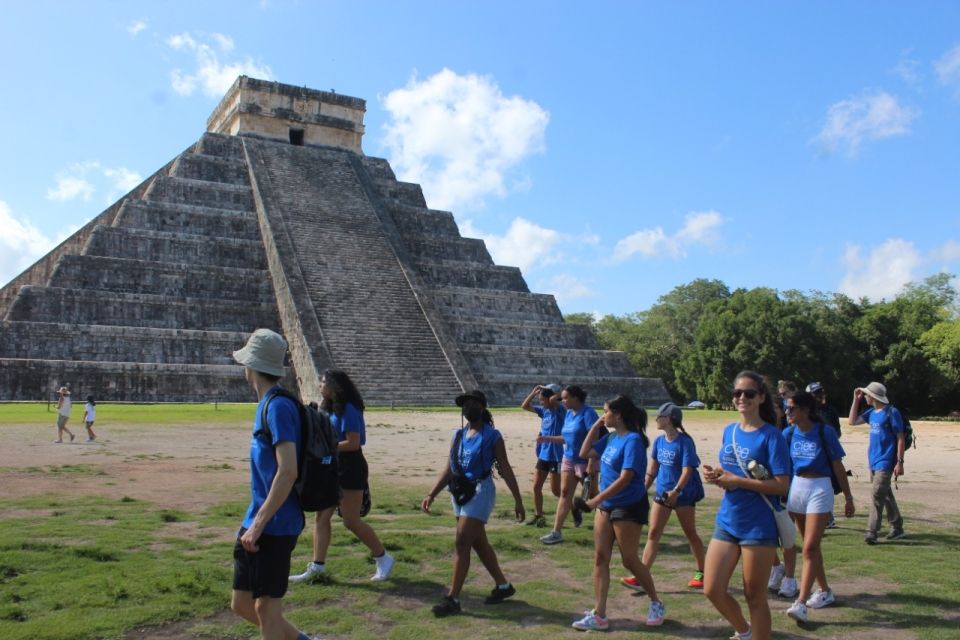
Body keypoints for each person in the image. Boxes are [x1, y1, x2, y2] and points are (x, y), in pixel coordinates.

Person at [229, 328, 315, 640]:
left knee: (267, 611)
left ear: (250, 366)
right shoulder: (267, 404)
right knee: (241, 603)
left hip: (275, 524)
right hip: (258, 518)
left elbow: (287, 471)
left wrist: (259, 525)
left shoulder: (278, 407)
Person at [702, 370, 791, 640]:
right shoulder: (730, 431)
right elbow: (731, 472)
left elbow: (781, 485)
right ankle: (744, 631)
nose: (742, 398)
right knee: (712, 589)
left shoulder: (772, 437)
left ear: (761, 397)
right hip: (728, 519)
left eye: (749, 393)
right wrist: (718, 475)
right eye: (737, 393)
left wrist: (737, 481)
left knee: (755, 596)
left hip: (758, 524)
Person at [422, 390, 525, 617]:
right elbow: (449, 468)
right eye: (465, 404)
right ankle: (503, 586)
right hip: (459, 492)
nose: (468, 408)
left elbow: (505, 468)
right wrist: (432, 493)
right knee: (478, 543)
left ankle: (453, 598)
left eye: (472, 403)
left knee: (461, 543)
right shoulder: (458, 435)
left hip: (480, 491)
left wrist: (518, 500)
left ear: (482, 406)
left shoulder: (493, 436)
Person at [289, 369, 394, 584]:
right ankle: (317, 567)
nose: (320, 385)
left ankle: (383, 557)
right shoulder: (327, 408)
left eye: (324, 381)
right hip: (330, 466)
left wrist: (327, 448)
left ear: (336, 386)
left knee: (350, 520)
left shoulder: (349, 409)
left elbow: (354, 443)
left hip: (350, 467)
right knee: (321, 517)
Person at [573, 395, 665, 631]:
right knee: (600, 557)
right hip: (606, 505)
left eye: (606, 412)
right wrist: (596, 425)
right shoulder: (612, 437)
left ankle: (656, 602)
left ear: (619, 414)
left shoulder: (633, 440)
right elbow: (584, 453)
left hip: (628, 506)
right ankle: (599, 614)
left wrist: (595, 500)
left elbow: (626, 478)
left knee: (629, 560)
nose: (604, 415)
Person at [781, 391, 855, 623]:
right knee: (809, 548)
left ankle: (801, 603)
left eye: (791, 408)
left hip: (820, 488)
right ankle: (824, 591)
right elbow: (779, 462)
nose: (787, 412)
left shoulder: (825, 432)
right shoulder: (789, 433)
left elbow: (837, 465)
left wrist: (849, 498)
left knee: (810, 548)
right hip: (798, 488)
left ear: (805, 410)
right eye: (786, 408)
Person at [627, 402, 706, 591]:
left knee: (690, 533)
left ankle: (702, 572)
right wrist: (642, 490)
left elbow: (688, 470)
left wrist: (677, 491)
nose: (656, 419)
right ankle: (642, 576)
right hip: (662, 492)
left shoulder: (685, 441)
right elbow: (653, 469)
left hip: (683, 495)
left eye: (659, 417)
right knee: (653, 533)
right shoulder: (659, 441)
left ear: (669, 419)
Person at [538, 385, 599, 545]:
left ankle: (613, 524)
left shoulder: (588, 413)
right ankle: (556, 532)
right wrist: (548, 438)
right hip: (568, 459)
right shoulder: (569, 415)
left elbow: (595, 440)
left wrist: (592, 462)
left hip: (585, 461)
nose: (562, 401)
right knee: (565, 493)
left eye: (565, 398)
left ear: (576, 398)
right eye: (562, 398)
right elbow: (567, 438)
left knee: (593, 496)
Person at [848, 382, 906, 544]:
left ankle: (871, 531)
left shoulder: (891, 412)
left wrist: (899, 462)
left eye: (866, 394)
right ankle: (897, 527)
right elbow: (852, 421)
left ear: (873, 396)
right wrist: (856, 400)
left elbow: (900, 437)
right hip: (873, 461)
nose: (865, 396)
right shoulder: (871, 413)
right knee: (885, 494)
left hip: (886, 461)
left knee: (877, 494)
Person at [520, 383, 565, 528]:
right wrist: (534, 393)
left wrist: (556, 394)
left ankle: (574, 508)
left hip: (557, 456)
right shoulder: (544, 411)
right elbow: (524, 406)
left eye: (542, 399)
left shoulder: (560, 409)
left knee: (556, 491)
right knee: (536, 487)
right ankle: (539, 517)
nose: (540, 402)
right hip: (544, 454)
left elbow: (553, 401)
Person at [806, 381, 842, 529]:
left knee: (827, 486)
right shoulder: (805, 411)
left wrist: (829, 441)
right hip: (809, 454)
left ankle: (828, 516)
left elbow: (838, 432)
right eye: (815, 393)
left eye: (820, 392)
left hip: (828, 453)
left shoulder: (830, 411)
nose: (819, 395)